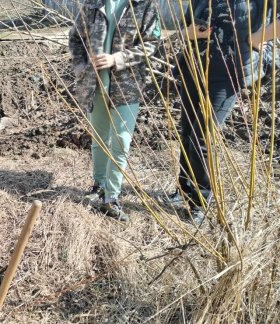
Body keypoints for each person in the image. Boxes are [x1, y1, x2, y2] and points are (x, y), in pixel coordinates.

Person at [165, 0, 279, 224]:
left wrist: (256, 39)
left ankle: (202, 200)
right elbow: (185, 25)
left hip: (229, 72)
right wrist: (190, 32)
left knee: (201, 138)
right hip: (194, 66)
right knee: (187, 131)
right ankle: (184, 188)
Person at [69, 0, 161, 222]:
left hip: (126, 88)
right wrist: (81, 67)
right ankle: (99, 185)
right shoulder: (91, 5)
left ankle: (111, 197)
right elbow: (75, 39)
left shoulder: (144, 6)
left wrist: (116, 59)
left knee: (121, 142)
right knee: (99, 139)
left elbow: (151, 43)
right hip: (94, 85)